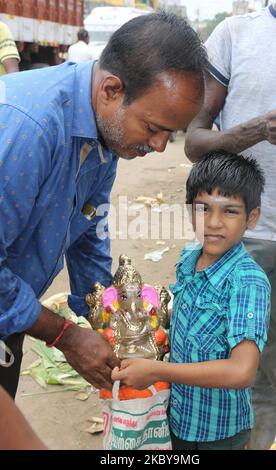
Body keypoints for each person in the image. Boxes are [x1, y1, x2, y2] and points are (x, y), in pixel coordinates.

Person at [0, 11, 207, 399]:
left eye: (171, 132)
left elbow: (87, 232)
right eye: (153, 128)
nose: (161, 146)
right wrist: (65, 336)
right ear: (111, 90)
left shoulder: (105, 136)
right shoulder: (29, 129)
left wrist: (110, 318)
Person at [184, 0, 276, 450]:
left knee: (266, 374)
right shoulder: (236, 34)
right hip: (238, 239)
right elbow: (194, 139)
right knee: (211, 368)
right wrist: (256, 131)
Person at [112, 151, 271, 451]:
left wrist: (157, 372)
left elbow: (241, 371)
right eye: (203, 209)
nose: (213, 222)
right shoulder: (189, 258)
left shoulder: (247, 281)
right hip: (179, 416)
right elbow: (182, 314)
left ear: (252, 217)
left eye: (230, 211)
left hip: (219, 433)